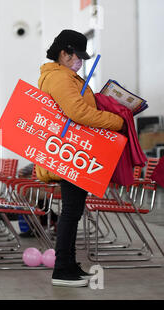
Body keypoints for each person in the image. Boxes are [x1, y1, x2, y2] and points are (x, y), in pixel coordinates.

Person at [36, 30, 125, 287]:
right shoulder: (61, 79)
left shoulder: (65, 77)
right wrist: (116, 121)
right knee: (71, 213)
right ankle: (62, 268)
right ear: (64, 53)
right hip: (70, 155)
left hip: (73, 152)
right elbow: (77, 112)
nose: (80, 62)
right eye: (77, 56)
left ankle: (69, 264)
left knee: (72, 213)